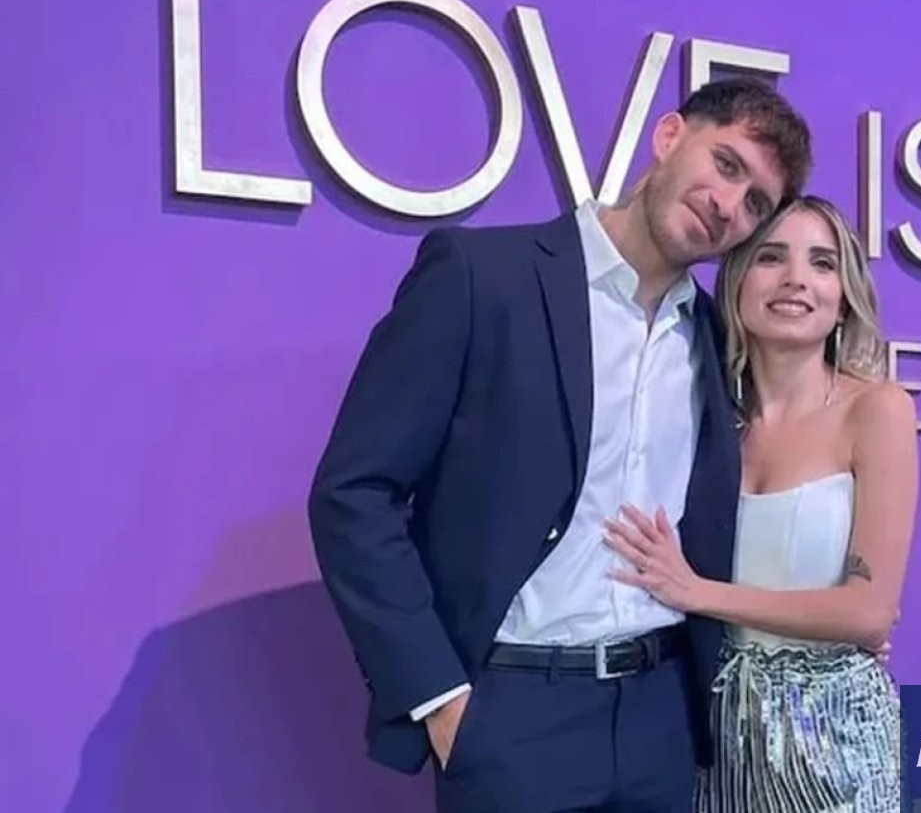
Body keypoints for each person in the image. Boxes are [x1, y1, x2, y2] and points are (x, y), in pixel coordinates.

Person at [307, 76, 812, 813]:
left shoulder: (716, 336)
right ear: (669, 136)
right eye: (726, 164)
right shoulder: (483, 277)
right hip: (512, 715)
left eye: (756, 202)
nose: (728, 204)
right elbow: (355, 493)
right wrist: (438, 696)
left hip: (662, 720)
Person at [601, 195, 918, 812]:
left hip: (832, 733)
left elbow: (868, 613)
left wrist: (698, 593)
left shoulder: (878, 410)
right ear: (737, 283)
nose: (797, 279)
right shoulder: (700, 416)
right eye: (772, 257)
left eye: (822, 263)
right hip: (713, 729)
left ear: (844, 297)